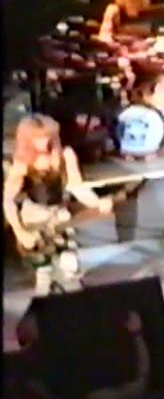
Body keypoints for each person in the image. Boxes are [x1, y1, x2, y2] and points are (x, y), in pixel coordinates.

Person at [3, 114, 113, 294]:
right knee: (43, 272)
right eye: (38, 137)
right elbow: (8, 200)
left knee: (70, 265)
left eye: (47, 135)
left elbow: (77, 187)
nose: (44, 141)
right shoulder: (22, 164)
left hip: (60, 215)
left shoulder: (65, 155)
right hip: (34, 217)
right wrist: (19, 231)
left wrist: (97, 202)